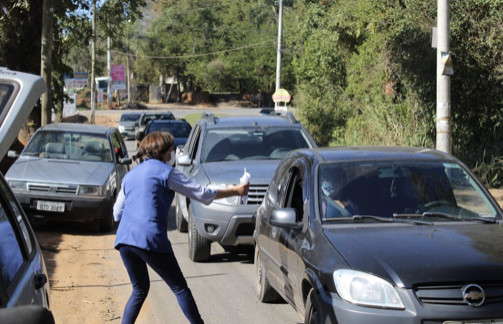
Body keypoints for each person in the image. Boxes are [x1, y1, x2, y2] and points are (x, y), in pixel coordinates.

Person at [113, 131, 249, 324]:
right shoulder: (166, 172)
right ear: (163, 153)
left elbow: (117, 212)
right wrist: (235, 190)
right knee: (179, 288)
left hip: (125, 240)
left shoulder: (131, 174)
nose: (173, 155)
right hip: (151, 239)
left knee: (139, 289)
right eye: (171, 151)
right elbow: (201, 194)